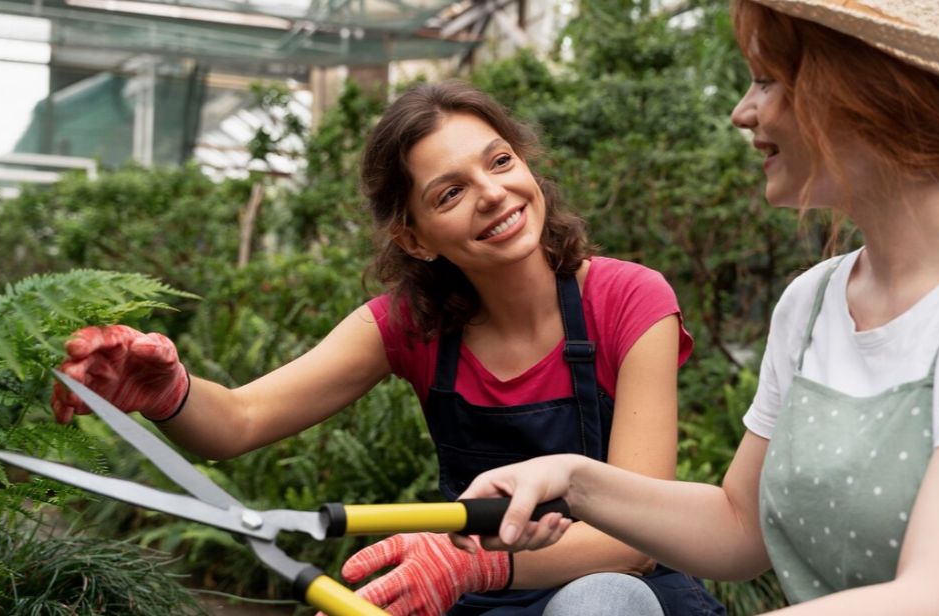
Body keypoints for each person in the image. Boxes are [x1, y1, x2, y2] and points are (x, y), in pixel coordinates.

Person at [457, 1, 939, 614]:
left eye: (766, 80)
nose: (742, 113)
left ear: (866, 91)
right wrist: (572, 480)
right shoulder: (812, 305)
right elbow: (739, 530)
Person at [51, 81, 725, 616]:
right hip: (480, 603)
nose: (493, 194)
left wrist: (471, 563)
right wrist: (168, 391)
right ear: (415, 238)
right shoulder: (410, 324)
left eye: (500, 161)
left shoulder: (628, 300)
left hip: (624, 596)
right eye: (451, 192)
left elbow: (636, 540)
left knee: (600, 601)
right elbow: (238, 423)